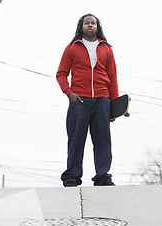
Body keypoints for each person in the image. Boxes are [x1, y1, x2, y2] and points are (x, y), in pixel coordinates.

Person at [56, 14, 119, 187]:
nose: (90, 25)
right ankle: (72, 176)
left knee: (103, 140)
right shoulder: (72, 47)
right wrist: (69, 93)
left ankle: (102, 176)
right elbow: (61, 74)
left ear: (97, 27)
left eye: (93, 23)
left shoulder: (106, 49)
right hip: (79, 100)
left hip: (102, 100)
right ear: (81, 26)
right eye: (86, 23)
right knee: (76, 139)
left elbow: (112, 79)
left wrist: (113, 106)